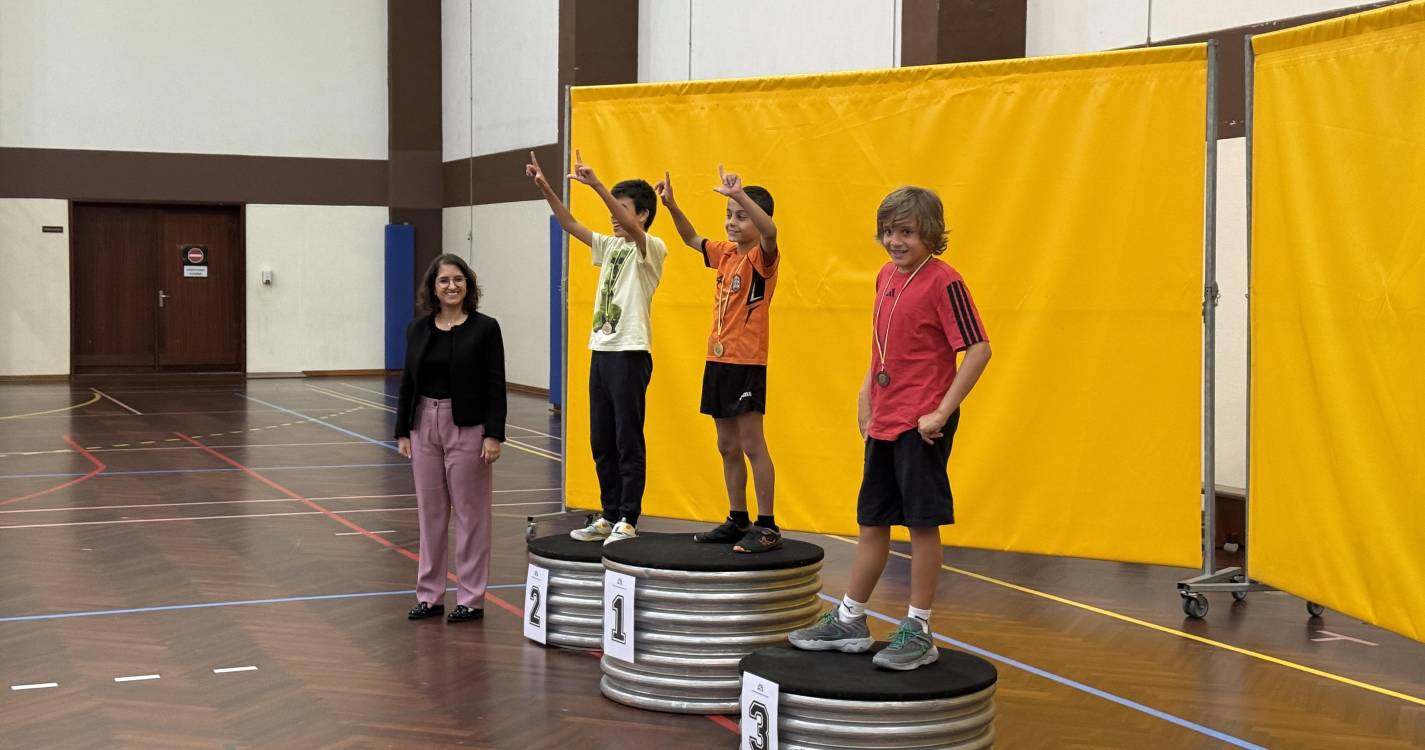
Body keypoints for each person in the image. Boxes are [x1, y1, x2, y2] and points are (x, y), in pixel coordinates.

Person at [788, 187, 991, 670]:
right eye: (888, 231)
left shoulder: (945, 282)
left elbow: (979, 349)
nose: (895, 241)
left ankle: (919, 628)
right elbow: (884, 345)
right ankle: (850, 618)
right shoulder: (885, 275)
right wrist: (866, 392)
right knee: (872, 521)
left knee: (921, 524)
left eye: (907, 232)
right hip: (884, 419)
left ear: (931, 234)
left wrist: (941, 411)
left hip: (921, 426)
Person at [526, 150, 667, 545]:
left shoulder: (650, 248)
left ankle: (628, 518)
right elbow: (570, 223)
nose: (613, 216)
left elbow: (629, 227)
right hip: (602, 352)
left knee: (626, 438)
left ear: (642, 215)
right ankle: (608, 513)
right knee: (601, 439)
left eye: (622, 209)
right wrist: (546, 188)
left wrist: (597, 185)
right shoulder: (609, 247)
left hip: (630, 353)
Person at [656, 166, 783, 553]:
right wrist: (671, 205)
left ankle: (767, 526)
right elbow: (690, 237)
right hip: (717, 360)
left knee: (752, 444)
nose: (732, 222)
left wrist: (740, 195)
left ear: (758, 219)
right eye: (729, 214)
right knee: (726, 445)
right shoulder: (725, 253)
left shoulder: (763, 256)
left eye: (741, 216)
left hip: (747, 363)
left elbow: (771, 231)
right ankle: (737, 518)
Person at [395, 253, 506, 623]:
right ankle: (430, 596)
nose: (451, 286)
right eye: (444, 280)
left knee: (472, 516)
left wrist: (493, 435)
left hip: (468, 426)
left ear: (468, 285)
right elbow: (408, 381)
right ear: (433, 287)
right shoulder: (417, 328)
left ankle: (471, 599)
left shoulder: (485, 328)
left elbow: (495, 384)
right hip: (423, 423)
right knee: (431, 513)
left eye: (458, 279)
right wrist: (403, 429)